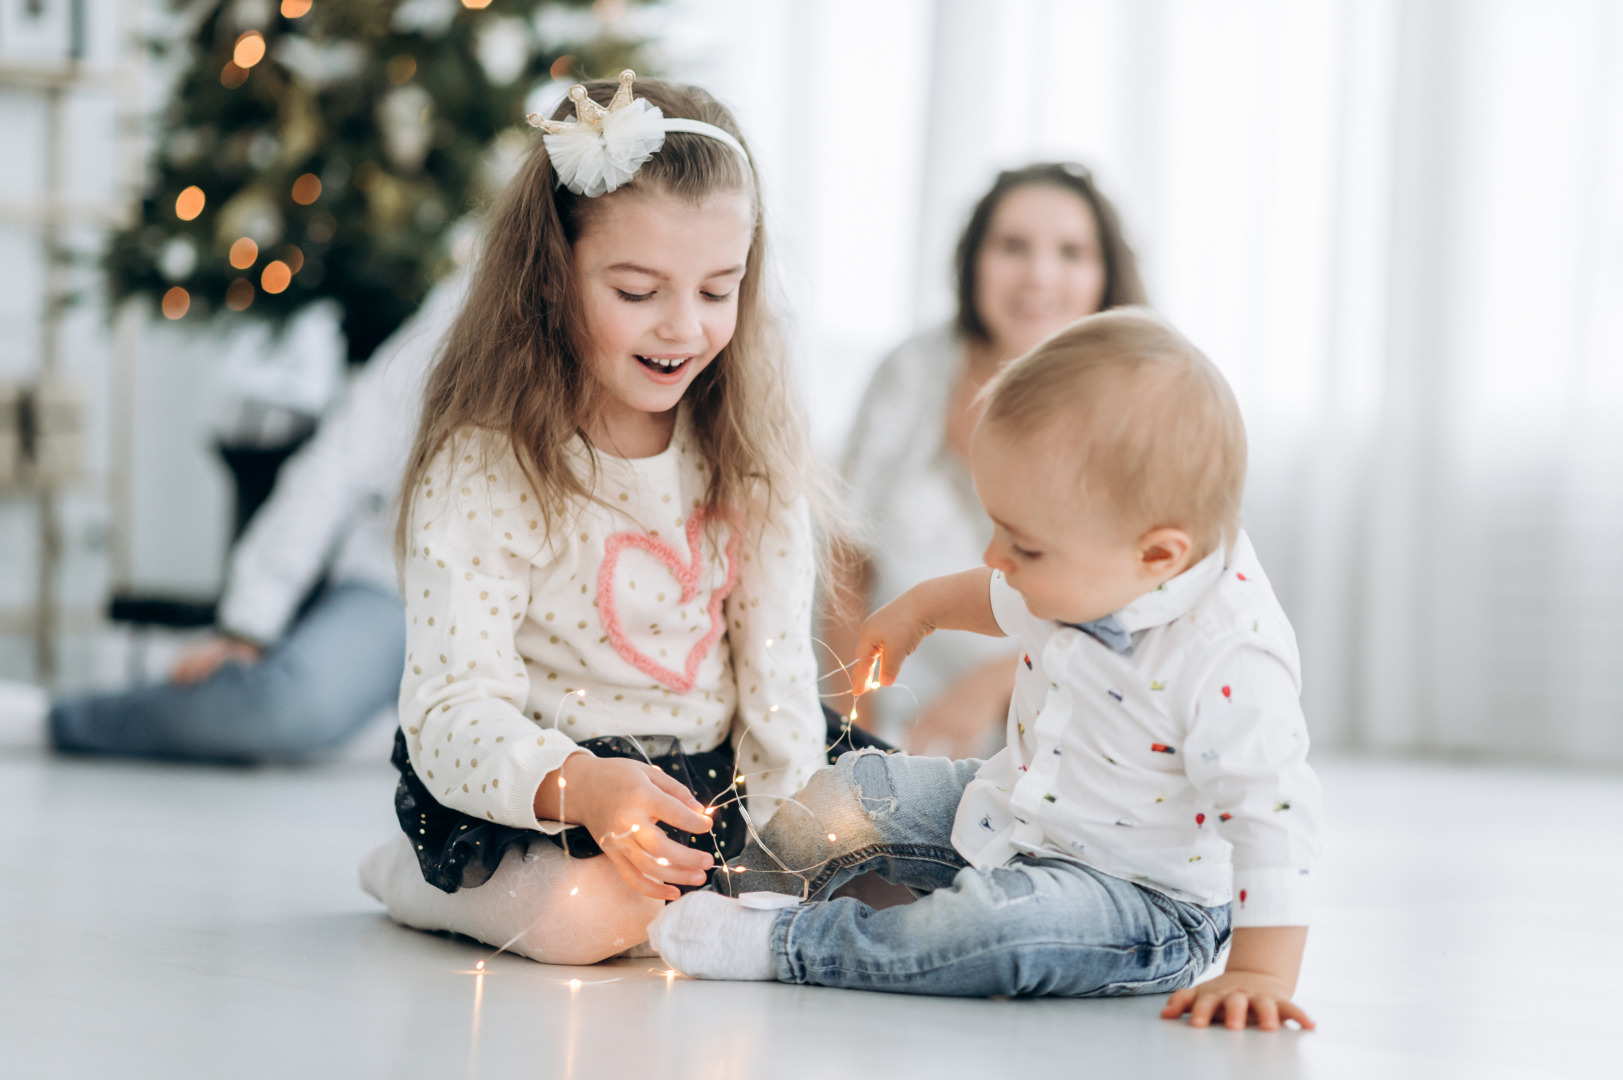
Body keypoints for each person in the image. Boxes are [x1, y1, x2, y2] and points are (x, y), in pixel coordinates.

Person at [648, 310, 1323, 1028]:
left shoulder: (1229, 656)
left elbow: (1274, 820)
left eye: (1022, 546)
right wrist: (915, 611)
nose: (997, 556)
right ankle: (735, 891)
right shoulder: (1092, 563)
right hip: (1016, 806)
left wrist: (1257, 971)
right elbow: (987, 593)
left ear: (1157, 556)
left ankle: (784, 945)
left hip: (1138, 900)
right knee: (861, 786)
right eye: (995, 526)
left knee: (989, 934)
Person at [357, 73, 835, 965]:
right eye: (637, 291)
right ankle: (415, 880)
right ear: (551, 276)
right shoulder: (488, 464)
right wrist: (583, 788)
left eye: (717, 289)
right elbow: (454, 705)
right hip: (547, 784)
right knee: (589, 920)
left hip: (711, 774)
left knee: (890, 854)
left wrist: (786, 848)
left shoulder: (748, 453)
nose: (684, 328)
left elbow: (777, 689)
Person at [42, 276, 467, 762]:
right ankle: (57, 722)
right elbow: (343, 457)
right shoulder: (469, 299)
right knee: (289, 709)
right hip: (404, 592)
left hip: (552, 614)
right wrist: (248, 623)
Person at [829, 162, 1147, 757]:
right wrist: (853, 727)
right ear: (974, 259)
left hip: (1069, 723)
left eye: (1072, 252)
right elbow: (846, 562)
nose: (1039, 275)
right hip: (893, 714)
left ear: (1106, 274)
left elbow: (1146, 610)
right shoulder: (913, 371)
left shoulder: (1140, 400)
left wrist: (997, 682)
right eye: (1013, 246)